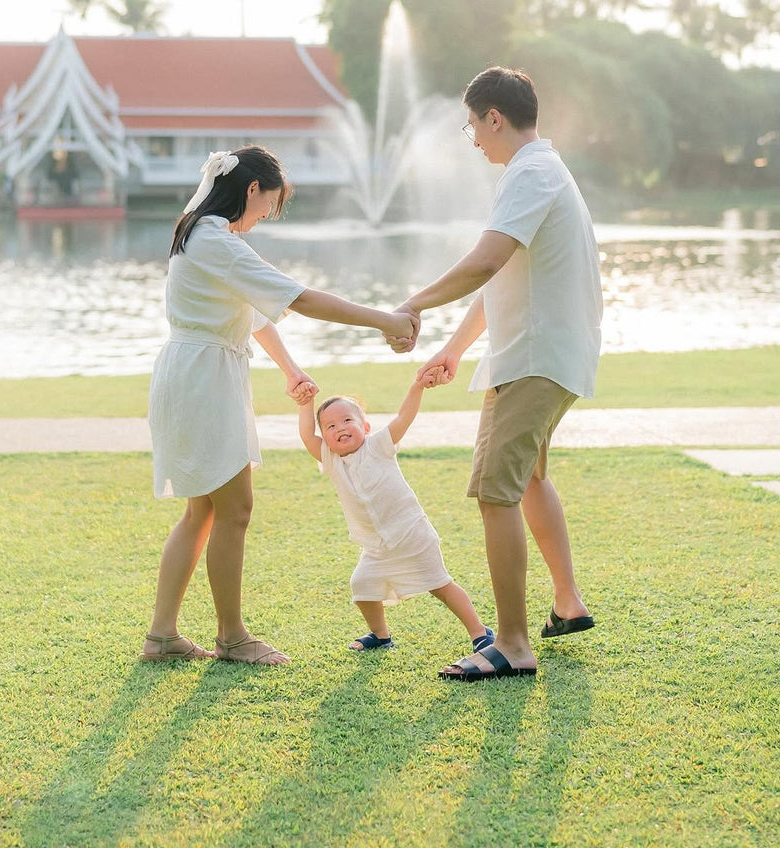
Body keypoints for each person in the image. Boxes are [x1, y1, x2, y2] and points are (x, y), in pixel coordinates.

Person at [141, 146, 413, 666]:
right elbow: (299, 298)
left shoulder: (198, 233)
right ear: (251, 189)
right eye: (269, 203)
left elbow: (255, 313)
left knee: (202, 510)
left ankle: (162, 636)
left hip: (194, 373)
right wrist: (386, 320)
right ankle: (232, 638)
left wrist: (291, 371)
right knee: (233, 509)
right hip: (202, 380)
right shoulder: (214, 240)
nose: (266, 214)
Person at [389, 67, 603, 682]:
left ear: (494, 117)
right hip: (545, 354)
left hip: (536, 359)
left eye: (473, 126)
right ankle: (567, 604)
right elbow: (504, 276)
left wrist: (411, 307)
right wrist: (454, 349)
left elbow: (483, 262)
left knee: (495, 492)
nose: (473, 139)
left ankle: (511, 643)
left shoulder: (529, 174)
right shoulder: (540, 171)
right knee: (530, 479)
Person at [296, 379, 494, 655]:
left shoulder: (378, 445)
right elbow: (307, 436)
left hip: (411, 535)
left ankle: (480, 632)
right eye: (330, 426)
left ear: (365, 427)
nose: (339, 428)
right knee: (362, 585)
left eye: (346, 420)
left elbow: (404, 417)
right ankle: (380, 635)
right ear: (325, 438)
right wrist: (306, 404)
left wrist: (417, 387)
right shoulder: (331, 459)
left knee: (440, 585)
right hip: (376, 547)